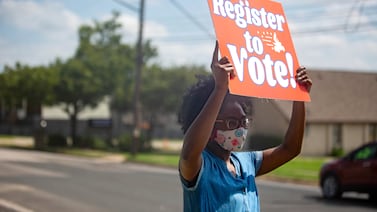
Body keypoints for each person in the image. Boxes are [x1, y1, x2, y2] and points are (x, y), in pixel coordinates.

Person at [177, 41, 312, 212]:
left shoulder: (246, 163)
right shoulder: (199, 167)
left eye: (244, 121)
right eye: (232, 123)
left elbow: (290, 149)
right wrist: (220, 89)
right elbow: (188, 153)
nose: (240, 129)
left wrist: (299, 96)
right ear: (210, 125)